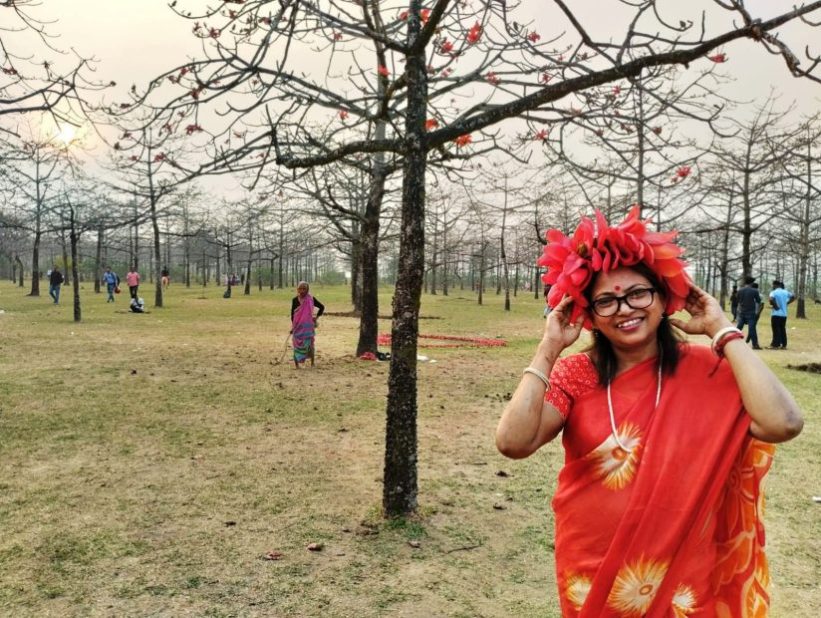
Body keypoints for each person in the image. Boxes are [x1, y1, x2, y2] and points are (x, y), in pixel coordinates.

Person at [496, 208, 802, 616]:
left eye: (638, 293)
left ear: (663, 298)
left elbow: (784, 422)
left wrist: (722, 330)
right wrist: (548, 349)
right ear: (589, 315)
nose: (624, 309)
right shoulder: (577, 374)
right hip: (592, 568)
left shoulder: (708, 370)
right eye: (606, 301)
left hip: (683, 571)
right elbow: (513, 442)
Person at [290, 281, 325, 368]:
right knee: (296, 345)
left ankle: (312, 363)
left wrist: (316, 318)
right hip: (297, 327)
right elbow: (292, 315)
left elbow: (322, 307)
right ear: (297, 289)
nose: (302, 291)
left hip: (308, 327)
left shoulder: (311, 299)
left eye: (304, 289)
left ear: (307, 289)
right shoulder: (295, 300)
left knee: (310, 344)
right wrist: (293, 327)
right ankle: (297, 365)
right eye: (300, 289)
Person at [735, 276, 762, 350]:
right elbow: (759, 301)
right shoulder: (754, 291)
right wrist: (757, 311)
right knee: (752, 329)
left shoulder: (740, 290)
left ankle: (733, 342)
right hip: (751, 312)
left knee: (739, 328)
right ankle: (755, 345)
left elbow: (737, 300)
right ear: (752, 283)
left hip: (742, 312)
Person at [768, 280, 795, 349]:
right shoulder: (785, 292)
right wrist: (787, 302)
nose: (772, 286)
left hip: (776, 314)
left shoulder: (773, 292)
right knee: (782, 329)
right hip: (784, 314)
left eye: (773, 285)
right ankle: (784, 345)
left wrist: (776, 306)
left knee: (776, 330)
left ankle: (775, 345)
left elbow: (771, 299)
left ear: (775, 285)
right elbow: (793, 297)